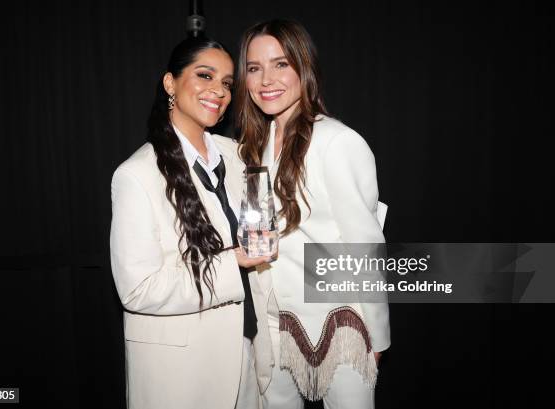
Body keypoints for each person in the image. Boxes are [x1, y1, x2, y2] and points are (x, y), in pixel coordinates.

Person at [235, 19, 390, 409]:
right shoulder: (253, 147)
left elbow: (366, 247)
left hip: (339, 325)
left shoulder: (338, 141)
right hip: (273, 327)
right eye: (254, 68)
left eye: (281, 64)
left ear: (304, 67)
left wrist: (378, 336)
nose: (266, 79)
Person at [110, 36, 268, 409]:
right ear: (170, 83)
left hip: (247, 359)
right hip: (181, 373)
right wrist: (235, 263)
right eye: (205, 76)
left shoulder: (238, 156)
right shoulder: (136, 175)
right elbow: (138, 290)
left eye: (227, 83)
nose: (219, 91)